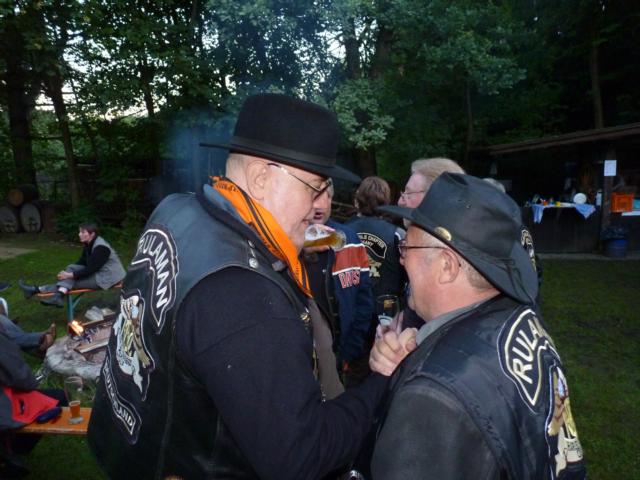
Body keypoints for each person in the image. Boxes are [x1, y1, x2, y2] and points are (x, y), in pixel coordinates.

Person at [88, 93, 415, 480]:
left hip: (130, 447)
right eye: (314, 187)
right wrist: (382, 380)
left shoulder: (176, 210)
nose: (319, 206)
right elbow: (300, 458)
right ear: (261, 178)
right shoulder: (245, 296)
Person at [363, 173, 586, 479]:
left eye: (406, 248)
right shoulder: (520, 320)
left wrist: (420, 378)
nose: (401, 260)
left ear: (446, 266)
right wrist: (408, 367)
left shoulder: (432, 399)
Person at [304, 184, 374, 387]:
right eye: (312, 196)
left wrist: (350, 351)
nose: (318, 205)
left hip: (345, 356)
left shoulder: (350, 239)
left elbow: (364, 298)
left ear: (331, 199)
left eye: (323, 196)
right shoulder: (287, 242)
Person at [19, 223, 126, 307]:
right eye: (79, 231)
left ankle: (37, 290)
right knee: (70, 271)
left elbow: (91, 269)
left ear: (92, 234)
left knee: (72, 282)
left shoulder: (101, 248)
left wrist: (70, 275)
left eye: (82, 232)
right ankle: (57, 296)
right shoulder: (89, 243)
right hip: (100, 272)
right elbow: (82, 262)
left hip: (108, 278)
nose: (79, 234)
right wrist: (68, 272)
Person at [346, 176, 406, 300]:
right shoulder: (397, 234)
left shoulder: (342, 231)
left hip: (352, 303)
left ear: (358, 199)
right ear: (387, 200)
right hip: (387, 305)